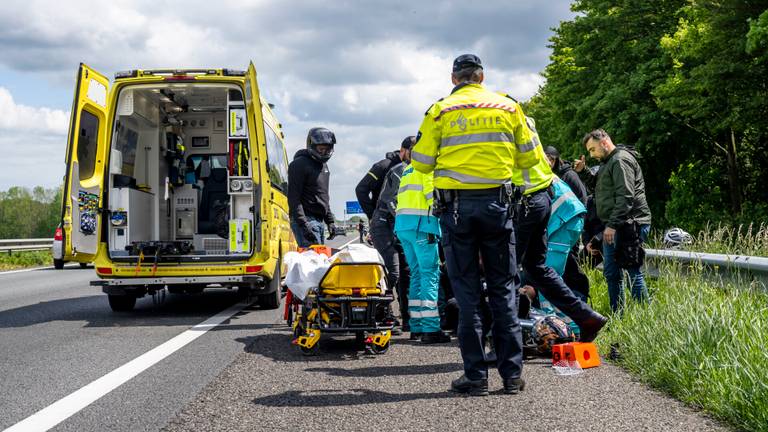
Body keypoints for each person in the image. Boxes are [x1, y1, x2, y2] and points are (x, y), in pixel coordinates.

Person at [411, 54, 529, 396]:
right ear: (482, 76)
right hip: (499, 207)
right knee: (503, 290)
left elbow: (419, 163)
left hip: (457, 210)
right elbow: (531, 158)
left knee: (466, 294)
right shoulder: (508, 108)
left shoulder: (440, 111)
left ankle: (475, 377)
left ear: (454, 78)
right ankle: (511, 377)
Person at [500, 97, 607, 344]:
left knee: (547, 271)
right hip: (558, 212)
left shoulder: (509, 127)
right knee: (542, 270)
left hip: (563, 216)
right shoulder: (525, 125)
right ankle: (575, 322)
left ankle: (558, 328)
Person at [575, 129, 652, 312]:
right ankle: (618, 315)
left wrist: (611, 225)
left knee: (633, 272)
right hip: (615, 225)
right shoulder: (608, 162)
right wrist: (583, 171)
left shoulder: (620, 160)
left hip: (630, 224)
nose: (591, 155)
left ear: (604, 142)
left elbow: (626, 197)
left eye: (593, 149)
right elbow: (599, 188)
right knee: (612, 273)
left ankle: (645, 317)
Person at [395, 159, 451, 344]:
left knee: (417, 274)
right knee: (430, 274)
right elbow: (432, 196)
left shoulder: (409, 168)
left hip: (404, 226)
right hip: (422, 225)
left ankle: (416, 326)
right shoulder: (427, 167)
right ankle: (431, 328)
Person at [369, 137, 414, 331]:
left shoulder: (420, 172)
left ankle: (407, 319)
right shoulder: (399, 170)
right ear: (405, 151)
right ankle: (380, 313)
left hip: (400, 224)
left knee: (406, 272)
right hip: (384, 224)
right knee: (392, 271)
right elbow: (391, 201)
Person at [544, 145, 590, 300]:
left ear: (557, 160)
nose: (549, 162)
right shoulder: (552, 175)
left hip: (568, 228)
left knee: (567, 270)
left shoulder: (569, 175)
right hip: (557, 228)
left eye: (552, 159)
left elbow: (582, 201)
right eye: (546, 158)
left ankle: (577, 301)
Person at [288, 127, 338, 248]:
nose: (324, 152)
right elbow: (294, 198)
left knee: (319, 260)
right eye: (321, 149)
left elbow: (323, 197)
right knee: (312, 262)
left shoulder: (323, 166)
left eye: (327, 149)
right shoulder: (299, 164)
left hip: (319, 220)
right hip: (307, 219)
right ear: (312, 146)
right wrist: (303, 224)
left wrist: (330, 222)